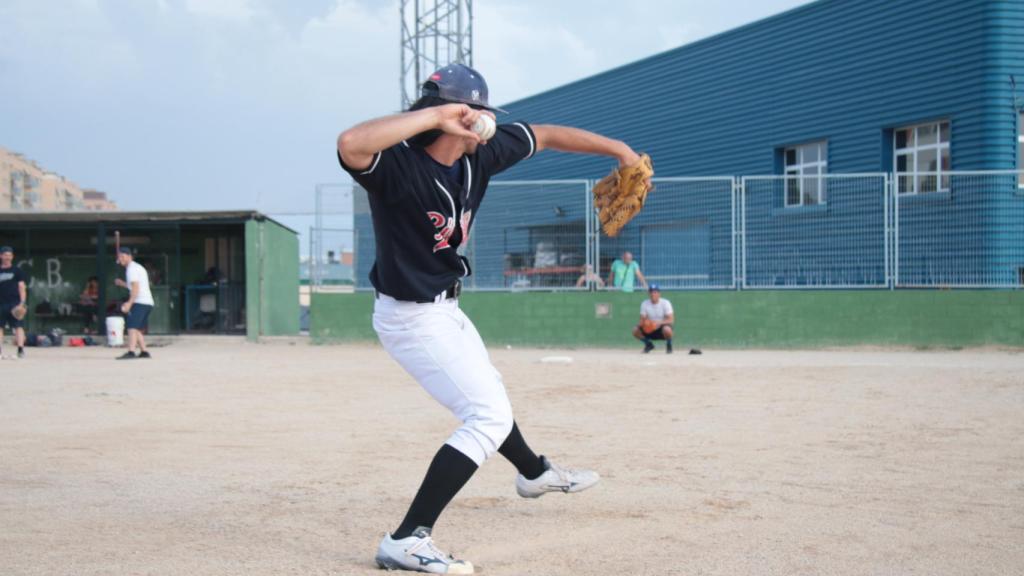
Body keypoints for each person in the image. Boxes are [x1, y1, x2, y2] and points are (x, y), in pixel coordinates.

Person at [337, 63, 643, 574]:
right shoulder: (397, 167)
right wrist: (438, 113)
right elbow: (351, 142)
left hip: (447, 308)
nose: (485, 122)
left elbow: (545, 135)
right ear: (453, 115)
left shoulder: (483, 155)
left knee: (492, 397)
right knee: (487, 416)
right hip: (410, 317)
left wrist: (621, 152)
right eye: (477, 112)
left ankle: (534, 473)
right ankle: (407, 538)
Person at [114, 248, 153, 360]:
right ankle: (144, 351)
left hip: (140, 301)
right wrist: (123, 284)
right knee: (136, 328)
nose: (120, 259)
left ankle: (131, 352)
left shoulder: (131, 269)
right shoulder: (136, 268)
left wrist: (129, 303)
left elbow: (135, 288)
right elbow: (134, 285)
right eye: (119, 257)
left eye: (122, 256)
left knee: (131, 326)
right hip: (147, 302)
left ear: (129, 256)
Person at [0, 246, 28, 359]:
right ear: (1, 256)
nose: (7, 257)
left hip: (14, 304)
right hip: (0, 304)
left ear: (12, 257)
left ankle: (20, 350)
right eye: (5, 255)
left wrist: (22, 302)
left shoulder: (17, 271)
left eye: (9, 255)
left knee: (18, 327)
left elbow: (22, 287)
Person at [633, 284, 675, 354]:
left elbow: (671, 320)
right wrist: (645, 324)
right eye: (651, 292)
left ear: (659, 294)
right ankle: (649, 344)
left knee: (667, 329)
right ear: (649, 294)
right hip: (649, 328)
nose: (653, 294)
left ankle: (669, 345)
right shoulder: (645, 303)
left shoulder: (665, 303)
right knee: (635, 330)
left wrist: (657, 323)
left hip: (661, 329)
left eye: (655, 292)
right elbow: (642, 319)